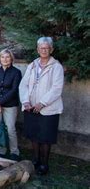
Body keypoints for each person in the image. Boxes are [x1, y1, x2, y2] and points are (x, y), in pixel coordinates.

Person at [19, 37, 64, 175]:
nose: (44, 50)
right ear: (37, 50)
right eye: (41, 48)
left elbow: (57, 88)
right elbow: (23, 84)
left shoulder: (56, 67)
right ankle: (36, 160)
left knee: (45, 137)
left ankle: (44, 164)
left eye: (46, 48)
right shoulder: (32, 65)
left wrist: (42, 103)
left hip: (48, 109)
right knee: (34, 135)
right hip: (31, 107)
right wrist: (25, 101)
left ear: (51, 49)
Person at [0, 49, 22, 160]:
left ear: (11, 59)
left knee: (10, 129)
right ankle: (1, 150)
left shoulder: (16, 72)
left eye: (7, 57)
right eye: (2, 57)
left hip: (10, 105)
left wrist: (0, 102)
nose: (5, 59)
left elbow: (14, 90)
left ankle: (14, 152)